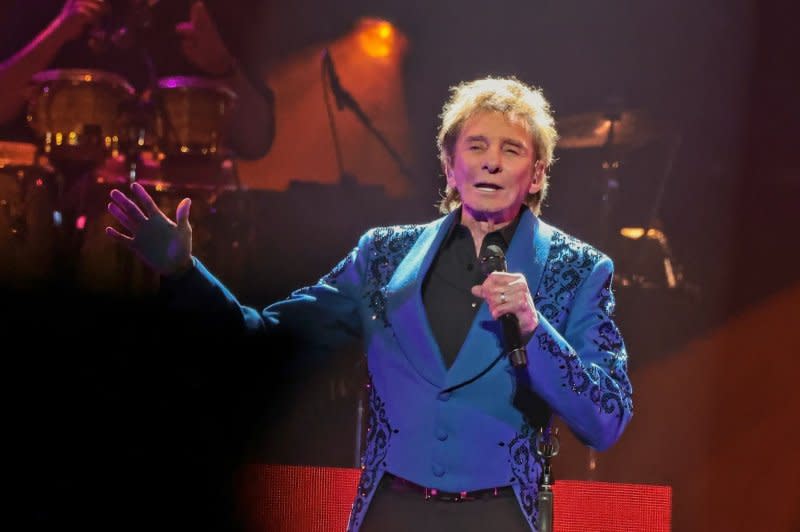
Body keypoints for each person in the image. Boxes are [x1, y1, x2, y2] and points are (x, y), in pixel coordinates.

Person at [105, 76, 633, 531]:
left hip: (499, 517)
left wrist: (535, 329)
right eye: (476, 146)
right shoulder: (383, 255)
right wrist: (183, 273)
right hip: (391, 513)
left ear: (536, 174)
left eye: (512, 150)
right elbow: (263, 338)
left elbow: (607, 419)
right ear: (450, 167)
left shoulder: (579, 269)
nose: (492, 162)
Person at [0, 0, 275, 159]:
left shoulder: (204, 12)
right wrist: (58, 31)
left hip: (168, 227)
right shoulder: (46, 8)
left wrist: (222, 68)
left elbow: (256, 142)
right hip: (52, 220)